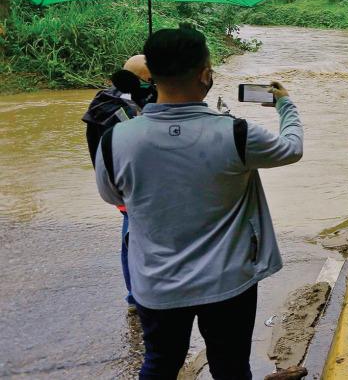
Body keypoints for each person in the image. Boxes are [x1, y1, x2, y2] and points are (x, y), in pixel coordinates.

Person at [94, 25, 303, 379]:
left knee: (159, 364)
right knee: (231, 366)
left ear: (151, 75)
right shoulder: (236, 133)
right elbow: (292, 148)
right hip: (228, 282)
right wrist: (285, 104)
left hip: (156, 283)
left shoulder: (115, 140)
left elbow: (113, 197)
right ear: (206, 75)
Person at [83, 54, 157, 307]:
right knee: (132, 240)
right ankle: (135, 297)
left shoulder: (108, 100)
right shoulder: (117, 108)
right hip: (129, 187)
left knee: (136, 239)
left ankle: (139, 295)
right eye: (151, 79)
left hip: (125, 184)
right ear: (139, 79)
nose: (155, 84)